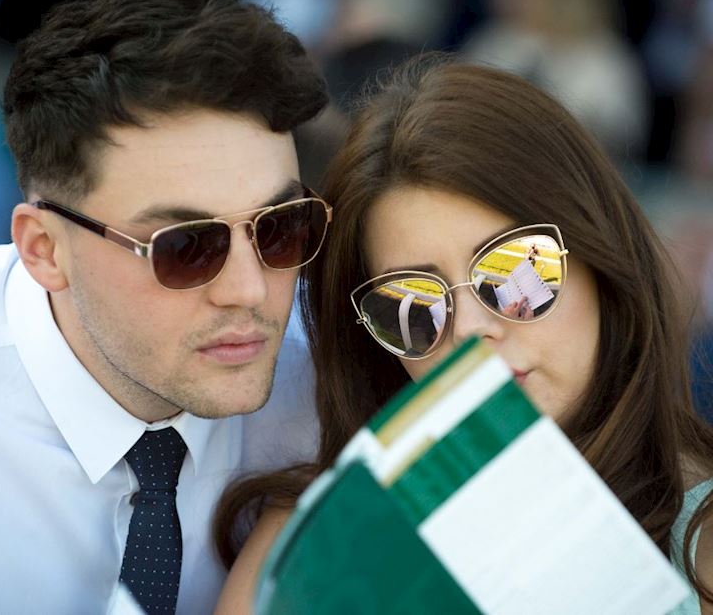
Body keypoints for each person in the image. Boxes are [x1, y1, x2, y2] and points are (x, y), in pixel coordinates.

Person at [213, 57, 713, 614]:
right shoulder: (308, 544)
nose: (472, 330)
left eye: (514, 273)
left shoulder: (704, 546)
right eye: (411, 306)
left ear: (600, 257)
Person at [0, 0, 330, 613]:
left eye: (281, 227)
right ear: (44, 250)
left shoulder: (333, 382)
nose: (249, 290)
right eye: (185, 247)